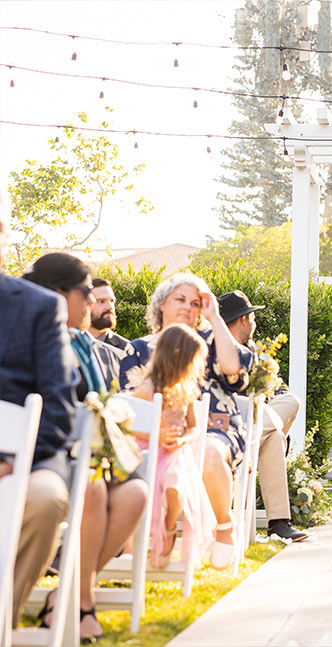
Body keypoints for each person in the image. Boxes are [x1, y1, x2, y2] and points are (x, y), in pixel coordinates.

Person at [22, 253, 148, 642]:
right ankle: (82, 606)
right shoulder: (28, 333)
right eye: (86, 294)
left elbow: (101, 396)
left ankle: (64, 595)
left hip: (94, 448)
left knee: (136, 494)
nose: (93, 304)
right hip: (51, 451)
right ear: (59, 294)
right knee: (92, 490)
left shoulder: (82, 341)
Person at [119, 272, 253, 569]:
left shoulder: (213, 341)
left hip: (215, 432)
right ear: (161, 305)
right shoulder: (140, 348)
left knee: (206, 451)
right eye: (179, 299)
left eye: (195, 302)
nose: (187, 307)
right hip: (154, 435)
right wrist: (155, 431)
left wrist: (215, 318)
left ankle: (224, 527)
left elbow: (233, 370)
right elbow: (128, 406)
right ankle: (132, 546)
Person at [0, 197, 76, 630]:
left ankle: (1, 619)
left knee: (48, 499)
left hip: (25, 463)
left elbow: (60, 406)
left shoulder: (39, 307)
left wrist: (12, 461)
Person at [218, 289, 308, 542]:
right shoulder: (216, 350)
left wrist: (268, 397)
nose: (254, 323)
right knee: (276, 437)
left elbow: (278, 388)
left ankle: (279, 522)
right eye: (252, 318)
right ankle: (278, 522)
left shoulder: (256, 354)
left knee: (289, 402)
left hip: (252, 429)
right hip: (224, 429)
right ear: (244, 320)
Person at [131, 323, 215, 570]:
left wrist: (183, 440)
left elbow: (193, 427)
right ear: (176, 356)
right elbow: (128, 424)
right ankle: (156, 535)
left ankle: (169, 527)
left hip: (176, 453)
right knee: (161, 480)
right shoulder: (147, 390)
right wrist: (156, 435)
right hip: (148, 450)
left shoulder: (186, 391)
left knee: (174, 481)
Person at [87, 277, 131, 387]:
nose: (110, 307)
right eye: (101, 301)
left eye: (112, 301)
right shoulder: (68, 344)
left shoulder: (127, 350)